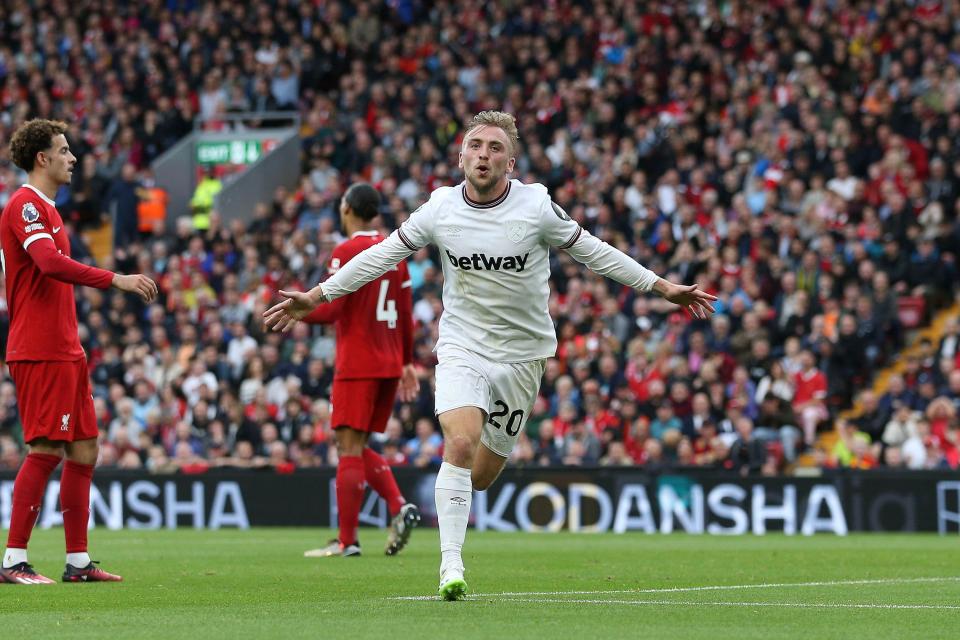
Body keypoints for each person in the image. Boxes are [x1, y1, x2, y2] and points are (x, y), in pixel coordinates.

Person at [264, 111, 716, 600]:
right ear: (461, 157)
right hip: (464, 345)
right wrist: (320, 294)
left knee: (479, 476)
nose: (483, 154)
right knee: (458, 445)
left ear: (511, 161)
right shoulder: (439, 209)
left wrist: (659, 285)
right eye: (475, 145)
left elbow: (595, 251)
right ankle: (450, 567)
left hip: (523, 356)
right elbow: (382, 256)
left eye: (494, 147)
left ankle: (459, 522)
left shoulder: (536, 206)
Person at [0, 119, 158, 584]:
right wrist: (117, 280)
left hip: (66, 346)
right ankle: (12, 560)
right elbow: (48, 264)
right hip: (39, 346)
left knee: (85, 450)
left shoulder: (49, 207)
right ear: (42, 158)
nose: (73, 158)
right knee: (45, 447)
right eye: (64, 150)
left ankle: (78, 562)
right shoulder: (25, 205)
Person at [299, 183, 422, 558]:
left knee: (347, 448)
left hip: (357, 361)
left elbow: (332, 307)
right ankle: (399, 507)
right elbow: (405, 313)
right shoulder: (395, 252)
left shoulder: (346, 249)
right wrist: (406, 363)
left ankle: (347, 540)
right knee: (357, 446)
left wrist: (297, 308)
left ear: (348, 208)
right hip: (388, 363)